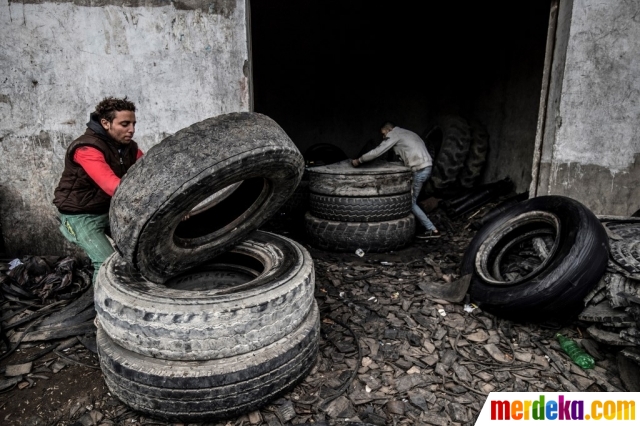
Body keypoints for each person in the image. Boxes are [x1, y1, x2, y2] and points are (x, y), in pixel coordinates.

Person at [53, 97, 143, 283]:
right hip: (80, 215)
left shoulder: (129, 148)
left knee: (140, 251)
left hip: (109, 209)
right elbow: (111, 185)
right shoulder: (87, 148)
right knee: (105, 264)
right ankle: (101, 310)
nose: (131, 130)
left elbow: (150, 173)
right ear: (105, 123)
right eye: (124, 124)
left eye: (133, 124)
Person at [352, 122, 440, 238]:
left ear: (389, 130)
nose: (384, 138)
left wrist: (359, 160)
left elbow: (377, 151)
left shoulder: (394, 134)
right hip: (426, 167)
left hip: (419, 170)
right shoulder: (409, 133)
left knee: (410, 203)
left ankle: (431, 229)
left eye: (384, 134)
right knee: (411, 199)